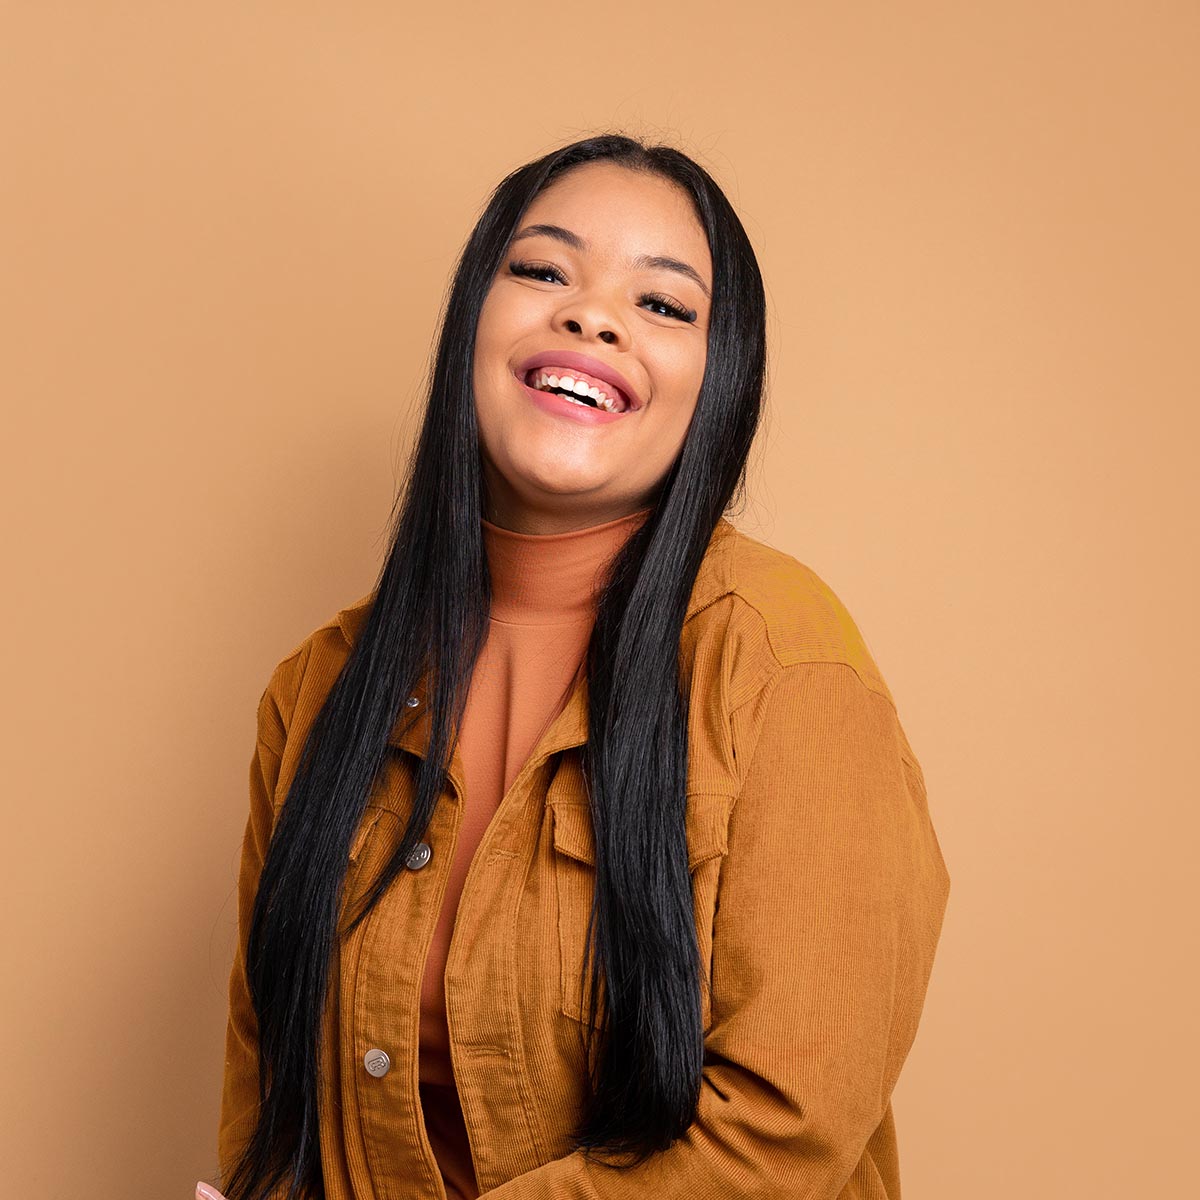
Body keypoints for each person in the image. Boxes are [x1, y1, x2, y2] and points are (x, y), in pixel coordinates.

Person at [203, 132, 951, 1200]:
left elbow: (786, 1137)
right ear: (473, 320)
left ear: (718, 385)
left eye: (664, 305)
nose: (591, 315)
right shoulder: (319, 690)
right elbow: (269, 1105)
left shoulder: (787, 671)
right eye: (543, 270)